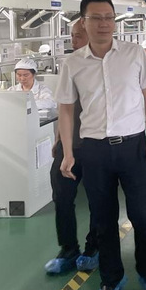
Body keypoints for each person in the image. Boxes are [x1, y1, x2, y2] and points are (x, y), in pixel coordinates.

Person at [56, 0, 146, 290]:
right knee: (103, 220)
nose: (104, 24)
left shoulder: (133, 54)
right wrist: (67, 152)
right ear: (83, 22)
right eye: (96, 18)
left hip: (133, 146)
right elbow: (66, 109)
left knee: (143, 215)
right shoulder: (72, 63)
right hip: (94, 150)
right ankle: (111, 280)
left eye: (109, 17)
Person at [44, 20, 99, 275]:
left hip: (95, 145)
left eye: (78, 36)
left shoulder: (101, 68)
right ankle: (68, 249)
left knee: (98, 200)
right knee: (62, 198)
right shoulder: (70, 65)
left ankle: (93, 248)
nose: (73, 42)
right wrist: (58, 139)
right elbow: (64, 108)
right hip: (70, 146)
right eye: (72, 37)